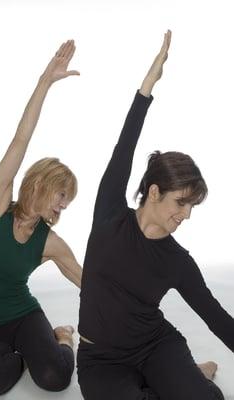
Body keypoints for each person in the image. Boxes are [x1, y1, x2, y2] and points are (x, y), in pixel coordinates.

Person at [77, 31, 231, 399]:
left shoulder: (177, 261)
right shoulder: (109, 212)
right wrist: (147, 85)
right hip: (101, 360)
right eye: (182, 202)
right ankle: (191, 376)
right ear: (155, 192)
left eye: (193, 206)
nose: (187, 215)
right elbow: (125, 144)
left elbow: (216, 316)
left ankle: (192, 380)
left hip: (155, 347)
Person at [0, 40, 82, 395]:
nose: (63, 206)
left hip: (22, 317)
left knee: (54, 378)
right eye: (61, 196)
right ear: (41, 184)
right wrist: (44, 82)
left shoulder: (49, 241)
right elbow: (20, 139)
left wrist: (136, 305)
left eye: (68, 201)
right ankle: (21, 354)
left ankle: (61, 339)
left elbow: (89, 281)